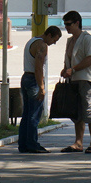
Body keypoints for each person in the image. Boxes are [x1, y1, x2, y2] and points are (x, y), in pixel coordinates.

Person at [60, 11, 91, 153]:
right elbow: (69, 60)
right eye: (65, 24)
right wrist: (65, 70)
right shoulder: (70, 41)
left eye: (69, 24)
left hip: (87, 79)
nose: (66, 27)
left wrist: (73, 69)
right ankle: (78, 142)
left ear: (77, 23)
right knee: (77, 113)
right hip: (73, 80)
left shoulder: (88, 39)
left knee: (89, 112)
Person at [18, 25, 62, 154]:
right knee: (34, 114)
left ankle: (23, 144)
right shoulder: (42, 45)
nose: (53, 43)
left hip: (26, 77)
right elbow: (38, 67)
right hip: (33, 80)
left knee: (26, 114)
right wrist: (42, 88)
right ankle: (32, 144)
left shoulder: (31, 41)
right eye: (54, 40)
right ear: (49, 35)